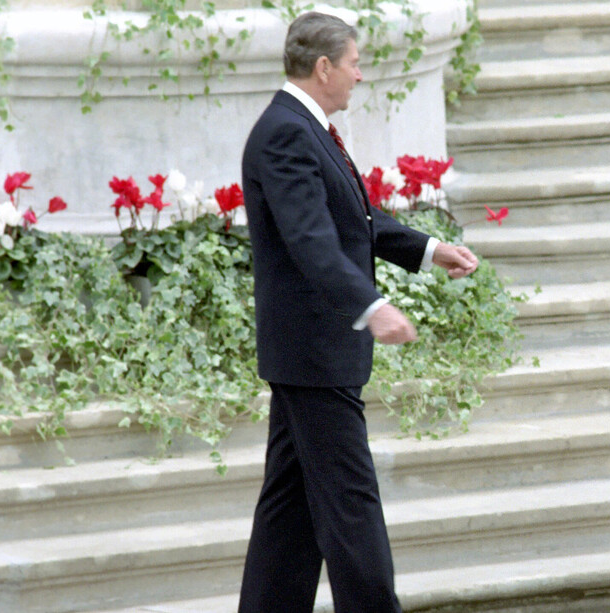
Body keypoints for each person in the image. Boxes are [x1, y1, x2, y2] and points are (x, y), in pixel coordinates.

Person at [237, 11, 478, 613]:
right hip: (316, 354)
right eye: (354, 64)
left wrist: (426, 249)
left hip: (309, 355)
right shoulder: (288, 132)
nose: (359, 76)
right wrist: (370, 307)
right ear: (324, 68)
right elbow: (311, 240)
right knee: (351, 506)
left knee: (289, 514)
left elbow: (355, 222)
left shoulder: (302, 126)